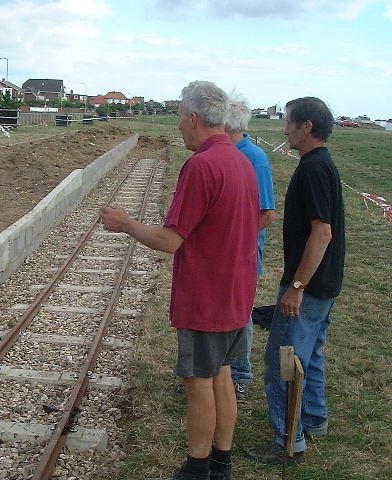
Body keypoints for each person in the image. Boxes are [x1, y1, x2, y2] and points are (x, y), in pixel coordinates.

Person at [101, 80, 259, 480]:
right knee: (222, 374)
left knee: (198, 382)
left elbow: (170, 240)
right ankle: (221, 462)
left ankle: (197, 467)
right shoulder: (241, 160)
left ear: (192, 117)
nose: (177, 128)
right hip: (237, 293)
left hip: (206, 296)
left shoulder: (202, 166)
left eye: (178, 119)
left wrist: (125, 224)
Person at [247, 97, 345, 464]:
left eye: (289, 122)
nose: (284, 128)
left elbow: (322, 234)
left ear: (307, 127)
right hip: (326, 283)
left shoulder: (313, 170)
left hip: (310, 286)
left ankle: (289, 442)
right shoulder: (320, 164)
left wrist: (297, 286)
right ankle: (315, 419)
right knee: (312, 354)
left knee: (283, 362)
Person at [224, 95, 276, 402]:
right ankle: (214, 370)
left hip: (242, 255)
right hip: (221, 255)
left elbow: (266, 214)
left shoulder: (254, 158)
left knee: (240, 314)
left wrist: (233, 239)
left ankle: (240, 375)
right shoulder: (225, 154)